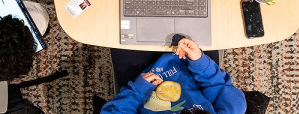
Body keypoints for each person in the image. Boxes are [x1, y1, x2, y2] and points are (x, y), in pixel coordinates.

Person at [101, 38, 246, 114]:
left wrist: (138, 91)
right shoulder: (234, 109)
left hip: (139, 77)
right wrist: (199, 61)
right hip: (188, 63)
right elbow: (216, 83)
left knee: (122, 26)